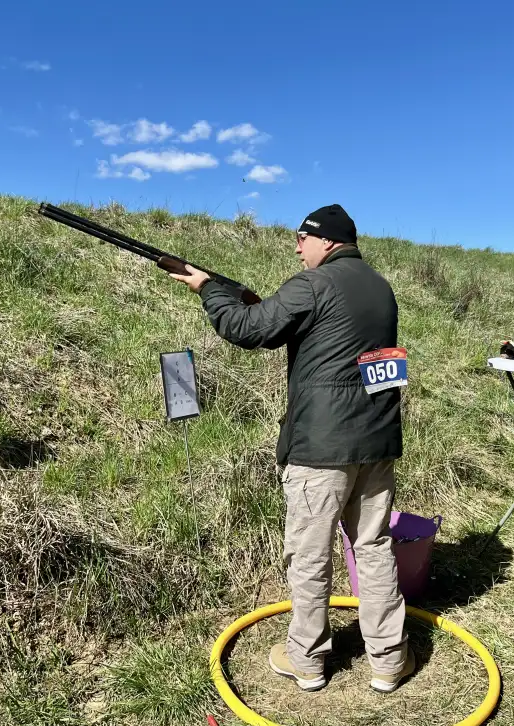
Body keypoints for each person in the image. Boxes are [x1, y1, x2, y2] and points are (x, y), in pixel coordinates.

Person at [167, 204, 415, 693]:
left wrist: (209, 289)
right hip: (377, 439)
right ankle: (389, 660)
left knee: (309, 556)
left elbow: (248, 329)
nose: (297, 248)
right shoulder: (379, 287)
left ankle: (307, 660)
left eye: (302, 238)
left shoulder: (314, 284)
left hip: (321, 448)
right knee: (373, 549)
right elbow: (339, 344)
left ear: (326, 240)